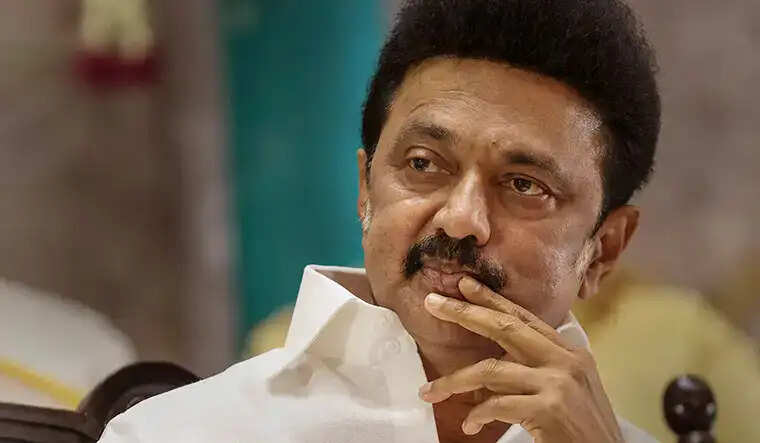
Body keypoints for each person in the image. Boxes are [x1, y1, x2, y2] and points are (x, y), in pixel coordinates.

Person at [99, 0, 662, 441]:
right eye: (423, 164)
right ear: (366, 188)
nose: (461, 220)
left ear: (604, 249)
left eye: (523, 185)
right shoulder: (176, 434)